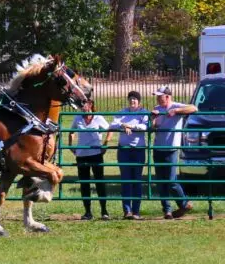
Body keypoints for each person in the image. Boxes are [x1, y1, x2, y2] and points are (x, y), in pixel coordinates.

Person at [150, 86, 197, 219]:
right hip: (158, 148)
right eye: (157, 96)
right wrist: (152, 118)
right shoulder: (157, 108)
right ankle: (167, 210)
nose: (158, 98)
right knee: (161, 182)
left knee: (171, 181)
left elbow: (194, 108)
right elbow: (152, 128)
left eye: (160, 96)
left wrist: (176, 111)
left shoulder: (176, 106)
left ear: (168, 96)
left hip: (172, 149)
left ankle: (184, 203)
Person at [68, 100, 111, 220]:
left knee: (99, 183)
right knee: (84, 184)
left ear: (91, 105)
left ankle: (104, 211)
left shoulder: (98, 118)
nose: (83, 106)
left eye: (85, 104)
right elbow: (71, 132)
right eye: (81, 105)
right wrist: (71, 146)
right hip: (81, 155)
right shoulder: (77, 118)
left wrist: (105, 144)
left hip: (96, 154)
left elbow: (109, 130)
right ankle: (87, 212)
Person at [110, 91, 149, 220]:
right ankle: (127, 211)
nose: (132, 101)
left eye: (135, 99)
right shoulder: (122, 112)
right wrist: (122, 125)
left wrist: (131, 126)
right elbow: (112, 124)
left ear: (139, 101)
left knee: (137, 180)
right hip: (124, 151)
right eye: (131, 99)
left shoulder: (143, 112)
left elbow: (144, 126)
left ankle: (136, 211)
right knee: (126, 180)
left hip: (138, 150)